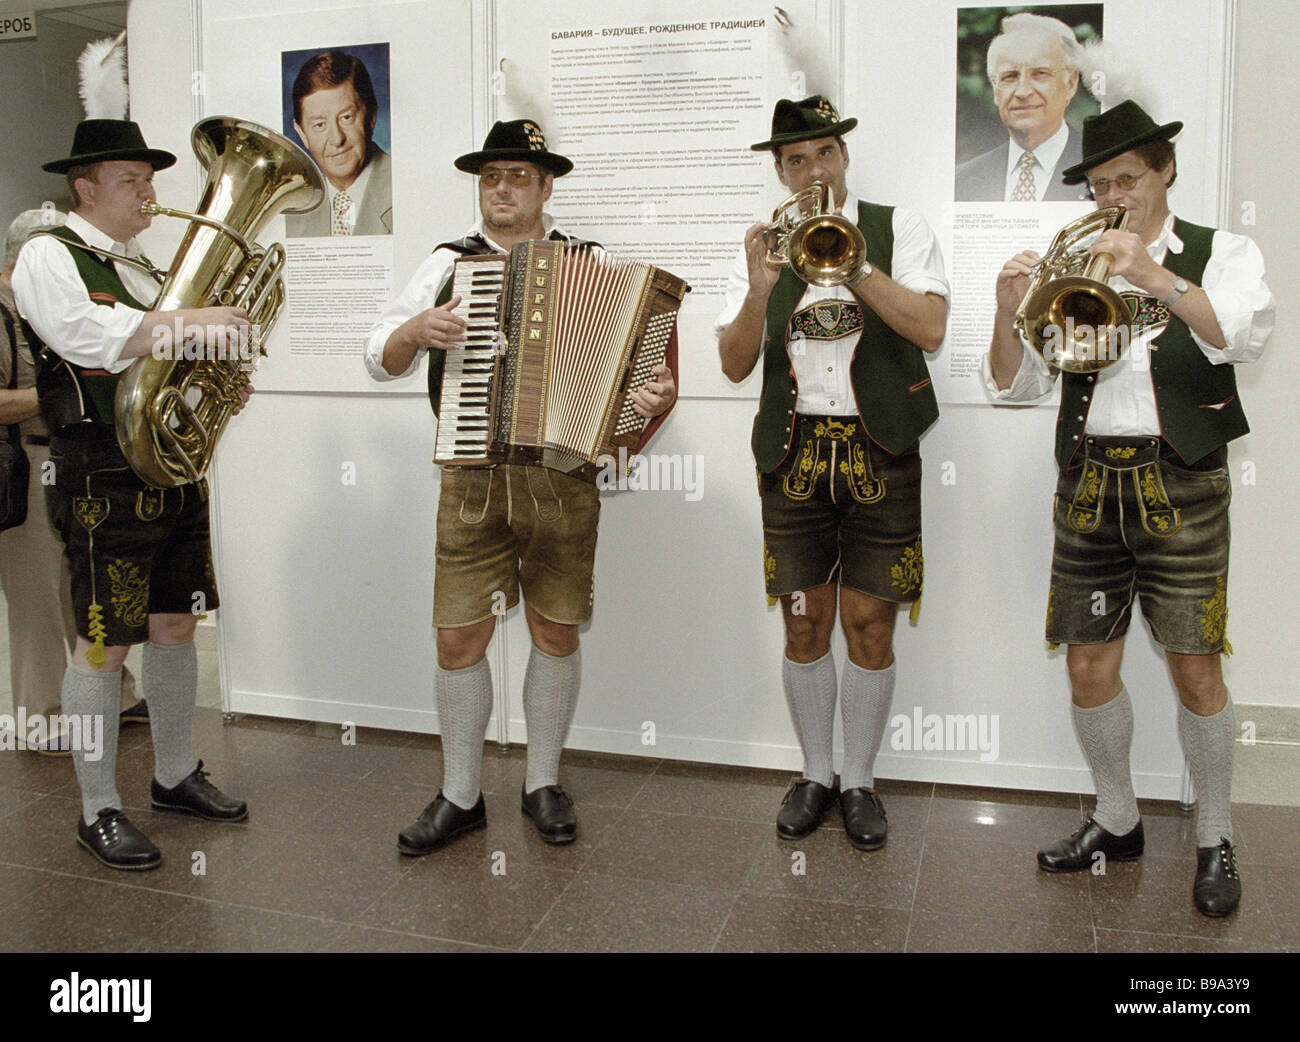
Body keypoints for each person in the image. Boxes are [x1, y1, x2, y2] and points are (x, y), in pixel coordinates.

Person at [986, 100, 1274, 916]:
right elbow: (1015, 384)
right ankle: (1117, 818)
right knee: (1088, 663)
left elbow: (1241, 338)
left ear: (1165, 172)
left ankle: (1215, 833)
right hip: (1088, 482)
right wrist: (1013, 308)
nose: (1114, 195)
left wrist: (1153, 274)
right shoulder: (1072, 263)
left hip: (1181, 478)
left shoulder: (1221, 253)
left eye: (1129, 179)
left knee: (1194, 663)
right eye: (1100, 183)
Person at [364, 120, 677, 852]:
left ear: (545, 186)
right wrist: (417, 330)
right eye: (490, 177)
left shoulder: (588, 261)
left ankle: (542, 781)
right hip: (470, 476)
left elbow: (631, 381)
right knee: (457, 636)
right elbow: (378, 355)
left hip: (562, 476)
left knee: (555, 626)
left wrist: (649, 398)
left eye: (517, 177)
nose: (501, 189)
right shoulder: (447, 261)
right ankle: (460, 794)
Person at [12, 118, 251, 870]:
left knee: (177, 623)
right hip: (100, 472)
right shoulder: (48, 255)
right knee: (101, 641)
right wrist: (190, 323)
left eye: (150, 180)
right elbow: (88, 337)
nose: (148, 192)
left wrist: (219, 371)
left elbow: (168, 352)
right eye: (130, 180)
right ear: (85, 188)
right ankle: (96, 808)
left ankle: (174, 772)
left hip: (170, 466)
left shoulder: (144, 267)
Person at [716, 96, 948, 850]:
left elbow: (931, 328)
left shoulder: (898, 227)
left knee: (870, 624)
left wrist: (855, 262)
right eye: (796, 161)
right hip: (792, 453)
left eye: (824, 154)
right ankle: (815, 773)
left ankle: (860, 779)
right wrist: (759, 288)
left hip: (880, 447)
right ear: (779, 172)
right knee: (805, 620)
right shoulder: (765, 246)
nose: (812, 170)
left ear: (844, 157)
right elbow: (733, 361)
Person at [0, 209, 145, 756]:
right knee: (35, 598)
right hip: (26, 464)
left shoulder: (46, 308)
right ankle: (38, 716)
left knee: (83, 589)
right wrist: (68, 391)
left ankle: (119, 695)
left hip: (72, 459)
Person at [955, 12, 1087, 202]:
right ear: (995, 89)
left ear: (1071, 84)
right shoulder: (962, 181)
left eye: (1040, 73)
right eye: (1009, 76)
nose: (1023, 91)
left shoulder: (1102, 172)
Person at [286, 50, 392, 237]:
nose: (337, 139)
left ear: (372, 117)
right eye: (319, 125)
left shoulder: (407, 189)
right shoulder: (290, 211)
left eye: (346, 117)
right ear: (302, 133)